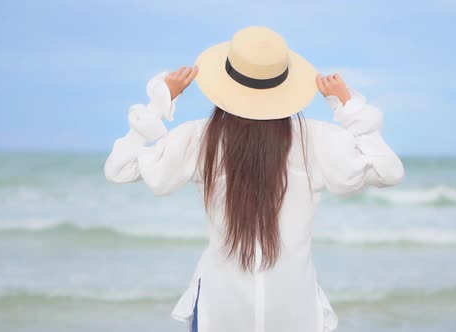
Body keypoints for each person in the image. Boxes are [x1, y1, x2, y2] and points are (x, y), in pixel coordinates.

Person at [104, 26, 405, 332]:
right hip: (294, 312)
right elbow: (389, 171)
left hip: (219, 312)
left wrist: (159, 103)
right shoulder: (313, 139)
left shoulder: (201, 139)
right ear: (286, 84)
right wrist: (349, 107)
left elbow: (118, 168)